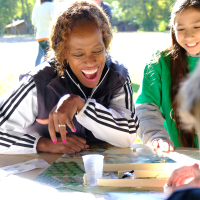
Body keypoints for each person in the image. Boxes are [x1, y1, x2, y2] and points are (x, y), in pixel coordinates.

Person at [0, 1, 139, 154]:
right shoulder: (38, 83)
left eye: (98, 50)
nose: (91, 61)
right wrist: (44, 144)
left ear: (105, 45)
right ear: (63, 54)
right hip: (43, 172)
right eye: (78, 54)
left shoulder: (117, 76)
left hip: (102, 175)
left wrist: (81, 106)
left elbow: (129, 135)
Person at [135, 0, 200, 152]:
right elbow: (145, 107)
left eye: (197, 27)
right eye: (181, 29)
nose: (189, 36)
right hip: (174, 157)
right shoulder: (159, 62)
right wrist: (156, 136)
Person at [32, 0, 56, 67]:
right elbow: (56, 19)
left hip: (40, 36)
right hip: (49, 36)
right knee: (49, 58)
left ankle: (35, 73)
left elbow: (33, 22)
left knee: (39, 56)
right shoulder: (51, 5)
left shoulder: (37, 7)